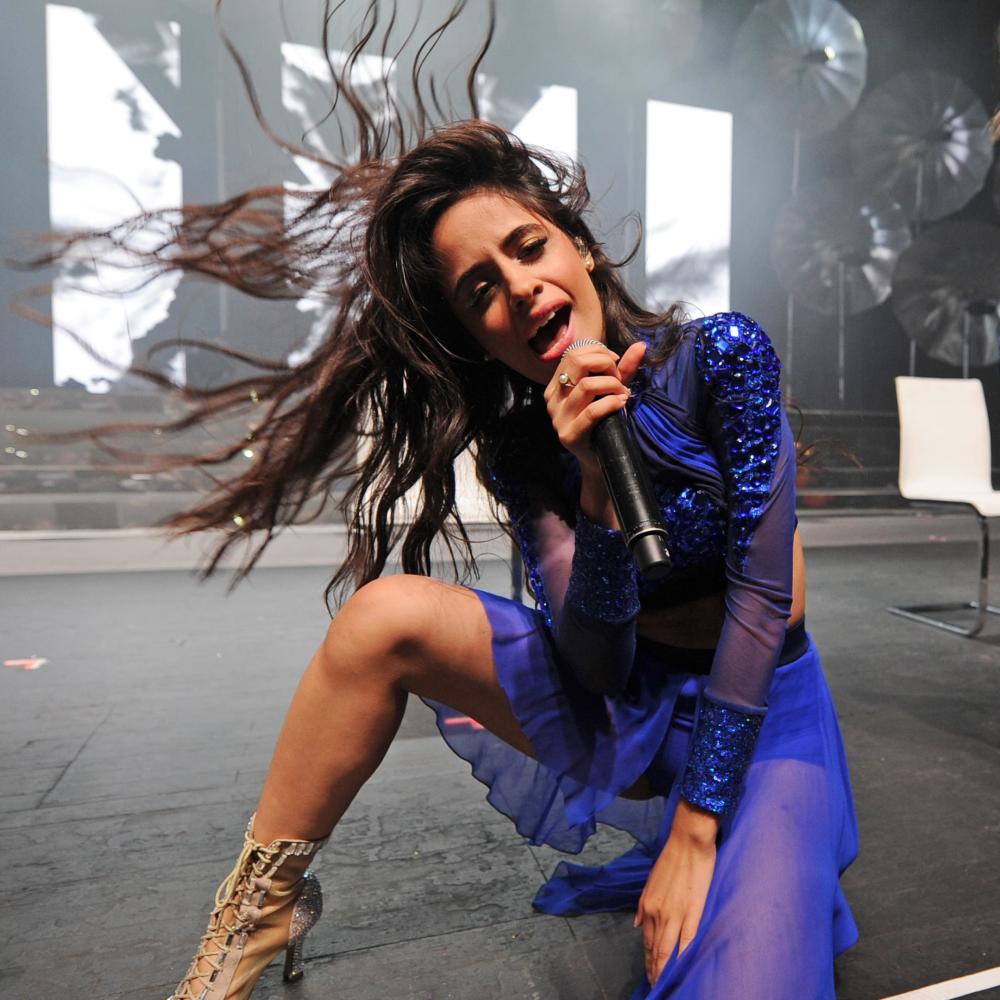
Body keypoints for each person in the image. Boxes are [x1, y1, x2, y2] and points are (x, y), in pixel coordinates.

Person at [33, 6, 858, 998]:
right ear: (479, 336)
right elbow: (594, 666)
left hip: (760, 712)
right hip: (630, 707)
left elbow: (772, 602)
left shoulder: (720, 357)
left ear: (581, 250)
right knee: (381, 618)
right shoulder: (523, 448)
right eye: (480, 290)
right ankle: (259, 912)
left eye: (528, 248)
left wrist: (693, 830)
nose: (520, 288)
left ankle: (750, 849)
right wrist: (596, 489)